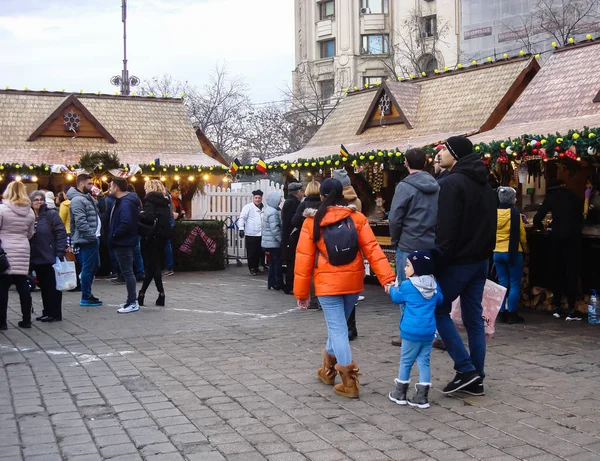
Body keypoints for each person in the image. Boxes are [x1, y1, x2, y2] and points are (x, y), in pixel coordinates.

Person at [294, 178, 396, 398]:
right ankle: (328, 371)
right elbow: (373, 250)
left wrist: (302, 294)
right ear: (344, 194)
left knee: (338, 330)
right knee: (338, 328)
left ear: (321, 196)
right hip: (352, 283)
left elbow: (303, 261)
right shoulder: (357, 218)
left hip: (327, 284)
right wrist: (387, 278)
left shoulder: (312, 221)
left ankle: (349, 381)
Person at [434, 136, 497, 396]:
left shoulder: (451, 184)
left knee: (438, 309)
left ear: (455, 154)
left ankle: (466, 369)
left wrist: (437, 262)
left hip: (458, 262)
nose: (439, 154)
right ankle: (477, 378)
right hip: (480, 260)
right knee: (473, 320)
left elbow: (446, 231)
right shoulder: (486, 185)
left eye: (444, 150)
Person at [388, 148, 440, 347]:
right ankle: (436, 333)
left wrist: (396, 239)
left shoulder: (404, 186)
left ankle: (407, 333)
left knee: (406, 289)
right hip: (431, 243)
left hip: (409, 244)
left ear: (406, 163)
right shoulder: (437, 186)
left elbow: (395, 218)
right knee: (431, 288)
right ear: (426, 163)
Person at [388, 251, 443, 409]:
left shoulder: (407, 285)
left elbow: (397, 298)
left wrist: (391, 288)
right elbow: (440, 300)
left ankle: (400, 393)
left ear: (417, 268)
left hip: (410, 332)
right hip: (428, 332)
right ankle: (422, 396)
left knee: (406, 361)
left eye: (407, 266)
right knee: (424, 361)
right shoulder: (434, 285)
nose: (405, 269)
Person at [533, 179, 583, 321]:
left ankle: (557, 307)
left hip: (557, 239)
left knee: (558, 272)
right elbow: (581, 216)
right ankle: (572, 309)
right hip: (574, 238)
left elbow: (538, 218)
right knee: (572, 273)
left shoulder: (551, 197)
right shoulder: (575, 197)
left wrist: (542, 228)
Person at [0, 181, 35, 330]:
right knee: (22, 285)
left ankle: (2, 322)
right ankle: (26, 319)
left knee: (2, 288)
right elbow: (31, 233)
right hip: (22, 248)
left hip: (4, 250)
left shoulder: (2, 209)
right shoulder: (30, 211)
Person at [332, 169, 362, 340]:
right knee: (350, 290)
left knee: (339, 291)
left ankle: (343, 328)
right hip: (353, 248)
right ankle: (351, 327)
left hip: (337, 248)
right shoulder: (356, 200)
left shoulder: (336, 201)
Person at [67, 173, 105, 307]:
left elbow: (102, 210)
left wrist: (101, 197)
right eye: (89, 183)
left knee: (94, 266)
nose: (92, 186)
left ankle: (88, 293)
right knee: (88, 268)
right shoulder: (78, 200)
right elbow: (80, 221)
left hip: (93, 237)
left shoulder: (87, 197)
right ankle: (86, 296)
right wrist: (91, 236)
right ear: (81, 184)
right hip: (88, 239)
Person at [29, 190, 67, 323]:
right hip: (36, 257)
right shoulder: (30, 215)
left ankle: (55, 313)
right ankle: (46, 311)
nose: (39, 202)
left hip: (50, 256)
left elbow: (61, 233)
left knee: (53, 287)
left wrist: (60, 251)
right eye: (36, 199)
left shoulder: (51, 214)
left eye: (41, 199)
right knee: (44, 287)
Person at [494, 187, 527, 325]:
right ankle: (512, 313)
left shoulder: (493, 214)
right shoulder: (515, 215)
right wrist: (526, 249)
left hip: (497, 253)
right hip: (513, 252)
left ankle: (502, 312)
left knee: (502, 284)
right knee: (514, 283)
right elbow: (522, 236)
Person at [107, 178, 140, 314]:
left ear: (117, 187)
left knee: (127, 272)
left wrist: (115, 235)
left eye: (111, 186)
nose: (109, 188)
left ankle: (132, 302)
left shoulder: (125, 203)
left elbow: (126, 222)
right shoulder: (124, 201)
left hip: (123, 241)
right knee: (127, 271)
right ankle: (131, 300)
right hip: (124, 240)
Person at [138, 180, 172, 307]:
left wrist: (140, 214)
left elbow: (149, 217)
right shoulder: (165, 201)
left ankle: (151, 294)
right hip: (162, 236)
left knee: (151, 267)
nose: (145, 190)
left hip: (151, 236)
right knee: (154, 267)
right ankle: (147, 294)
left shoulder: (150, 201)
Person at [291, 180, 322, 310]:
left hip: (306, 241)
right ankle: (322, 297)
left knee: (306, 271)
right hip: (322, 242)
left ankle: (312, 299)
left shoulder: (304, 204)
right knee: (320, 270)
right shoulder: (324, 204)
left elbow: (295, 221)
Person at [281, 182, 304, 294]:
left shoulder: (289, 201)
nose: (303, 194)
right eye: (302, 191)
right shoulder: (293, 203)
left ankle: (290, 285)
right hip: (291, 237)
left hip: (289, 237)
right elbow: (291, 221)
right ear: (298, 192)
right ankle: (289, 286)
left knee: (292, 262)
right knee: (292, 263)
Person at [238, 190, 264, 275]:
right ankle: (252, 268)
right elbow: (242, 218)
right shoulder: (247, 207)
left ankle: (256, 267)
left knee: (259, 252)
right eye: (256, 198)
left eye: (259, 198)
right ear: (253, 198)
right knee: (251, 252)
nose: (257, 199)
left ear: (261, 198)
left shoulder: (264, 208)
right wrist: (241, 228)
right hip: (251, 233)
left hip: (261, 234)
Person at [262, 191, 283, 290]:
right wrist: (281, 240)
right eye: (279, 199)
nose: (280, 201)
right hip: (274, 242)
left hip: (268, 241)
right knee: (277, 263)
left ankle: (271, 282)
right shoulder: (273, 212)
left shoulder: (268, 210)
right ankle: (277, 283)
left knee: (272, 263)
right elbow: (275, 229)